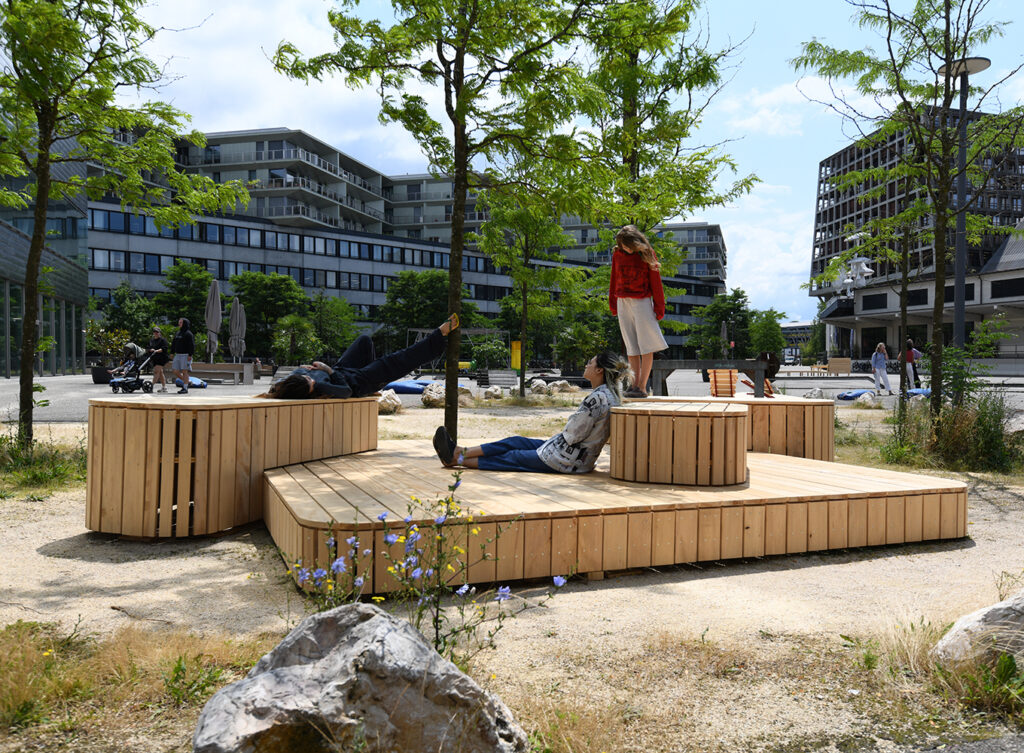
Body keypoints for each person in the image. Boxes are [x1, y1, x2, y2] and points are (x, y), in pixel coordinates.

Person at [432, 350, 632, 474]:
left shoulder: (597, 399)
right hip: (572, 455)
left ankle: (456, 459)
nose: (586, 365)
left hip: (566, 459)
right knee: (515, 441)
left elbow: (572, 434)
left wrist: (567, 426)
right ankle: (459, 452)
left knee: (513, 456)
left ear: (599, 370)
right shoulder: (610, 395)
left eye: (590, 363)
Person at [261, 314, 459, 399]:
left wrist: (308, 369)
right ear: (309, 389)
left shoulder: (293, 381)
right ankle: (438, 335)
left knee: (364, 341)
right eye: (309, 382)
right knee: (397, 360)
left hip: (343, 369)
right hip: (357, 382)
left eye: (306, 377)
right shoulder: (319, 387)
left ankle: (376, 378)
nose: (310, 378)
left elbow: (281, 384)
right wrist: (326, 370)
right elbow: (346, 391)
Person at [609, 225, 667, 397]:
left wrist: (659, 307)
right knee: (631, 347)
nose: (626, 248)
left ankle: (642, 387)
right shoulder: (617, 254)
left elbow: (656, 282)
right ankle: (633, 385)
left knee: (646, 346)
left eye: (628, 245)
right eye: (623, 245)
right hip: (622, 301)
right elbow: (614, 278)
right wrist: (613, 303)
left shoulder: (647, 254)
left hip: (642, 301)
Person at [171, 318, 196, 395]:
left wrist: (190, 354)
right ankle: (187, 382)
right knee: (175, 371)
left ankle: (185, 388)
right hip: (177, 354)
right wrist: (172, 352)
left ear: (185, 323)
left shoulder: (188, 334)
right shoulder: (178, 333)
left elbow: (192, 345)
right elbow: (174, 343)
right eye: (179, 322)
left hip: (185, 355)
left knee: (185, 371)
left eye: (181, 322)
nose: (179, 324)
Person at [147, 327, 170, 392]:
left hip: (162, 358)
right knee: (160, 372)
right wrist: (150, 350)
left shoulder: (163, 340)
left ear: (159, 333)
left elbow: (164, 348)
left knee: (156, 371)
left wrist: (157, 351)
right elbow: (148, 348)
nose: (156, 333)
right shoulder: (152, 340)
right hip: (155, 358)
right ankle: (164, 387)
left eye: (157, 332)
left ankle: (151, 385)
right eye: (154, 332)